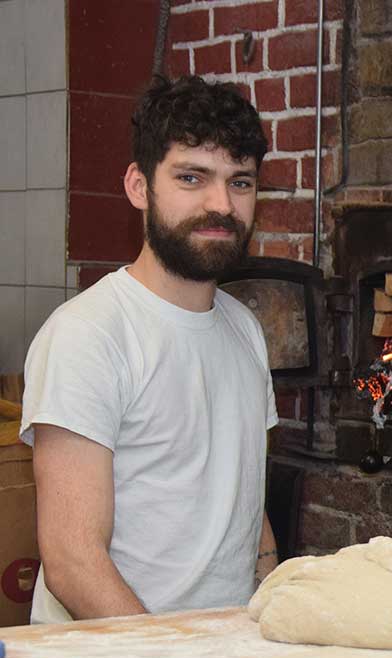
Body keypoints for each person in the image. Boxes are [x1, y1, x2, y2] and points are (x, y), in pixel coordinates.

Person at [20, 75, 279, 624]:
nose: (221, 205)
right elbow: (72, 561)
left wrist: (267, 607)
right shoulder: (89, 334)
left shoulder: (244, 330)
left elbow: (243, 503)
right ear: (139, 187)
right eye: (192, 177)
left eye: (241, 182)